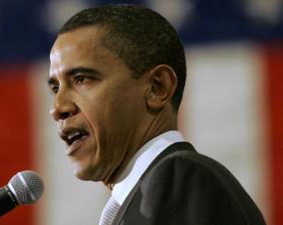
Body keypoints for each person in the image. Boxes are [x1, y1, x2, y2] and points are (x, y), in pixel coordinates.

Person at [47, 4, 266, 225]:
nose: (57, 108)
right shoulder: (141, 197)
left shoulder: (176, 181)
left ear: (157, 87)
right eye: (56, 88)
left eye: (82, 79)